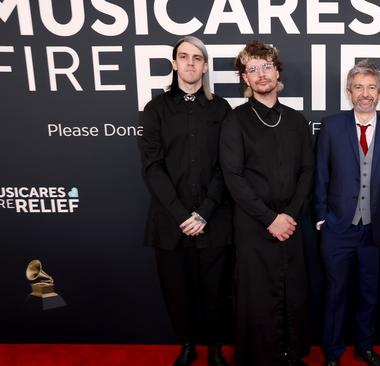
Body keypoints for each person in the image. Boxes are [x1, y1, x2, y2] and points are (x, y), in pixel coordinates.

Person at [139, 36, 233, 366]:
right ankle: (188, 345)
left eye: (197, 58)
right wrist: (182, 215)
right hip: (170, 223)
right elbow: (152, 167)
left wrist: (205, 212)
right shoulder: (155, 110)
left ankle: (217, 348)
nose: (191, 63)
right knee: (177, 293)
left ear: (205, 66)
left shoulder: (221, 109)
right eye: (184, 57)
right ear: (175, 64)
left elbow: (228, 166)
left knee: (217, 292)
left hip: (215, 220)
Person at [219, 41, 313, 366]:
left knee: (293, 292)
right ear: (245, 78)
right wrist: (270, 218)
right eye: (253, 69)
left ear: (277, 71)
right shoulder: (235, 121)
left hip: (292, 225)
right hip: (253, 226)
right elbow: (233, 177)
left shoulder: (297, 121)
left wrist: (289, 214)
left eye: (266, 66)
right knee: (257, 298)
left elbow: (307, 171)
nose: (261, 74)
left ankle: (291, 353)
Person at [314, 60, 380, 366]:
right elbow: (321, 174)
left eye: (371, 87)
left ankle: (364, 347)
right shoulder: (331, 126)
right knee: (335, 294)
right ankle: (332, 354)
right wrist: (321, 217)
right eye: (358, 87)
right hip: (337, 229)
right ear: (348, 92)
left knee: (369, 294)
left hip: (375, 231)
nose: (365, 94)